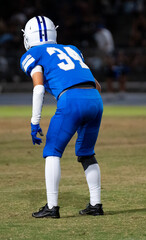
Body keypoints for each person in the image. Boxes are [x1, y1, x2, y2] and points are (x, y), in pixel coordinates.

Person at [20, 16, 104, 218]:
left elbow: (38, 89)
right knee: (86, 153)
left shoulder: (33, 53)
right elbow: (96, 84)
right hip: (95, 98)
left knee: (52, 151)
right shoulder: (72, 49)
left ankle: (52, 207)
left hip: (71, 100)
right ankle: (96, 204)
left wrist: (34, 121)